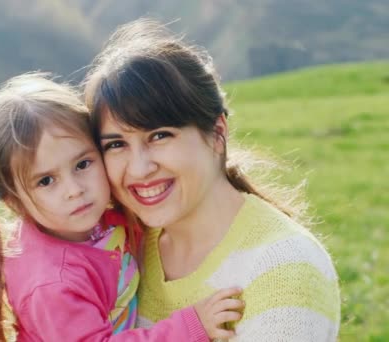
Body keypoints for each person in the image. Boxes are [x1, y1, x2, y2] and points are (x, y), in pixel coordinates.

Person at [83, 19, 341, 341]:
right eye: (116, 144)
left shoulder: (285, 267)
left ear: (217, 133)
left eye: (160, 135)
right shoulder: (122, 250)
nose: (138, 169)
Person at [0, 72, 245, 341]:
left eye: (82, 164)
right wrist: (189, 326)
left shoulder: (100, 219)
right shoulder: (52, 284)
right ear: (14, 201)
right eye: (46, 181)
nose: (74, 189)